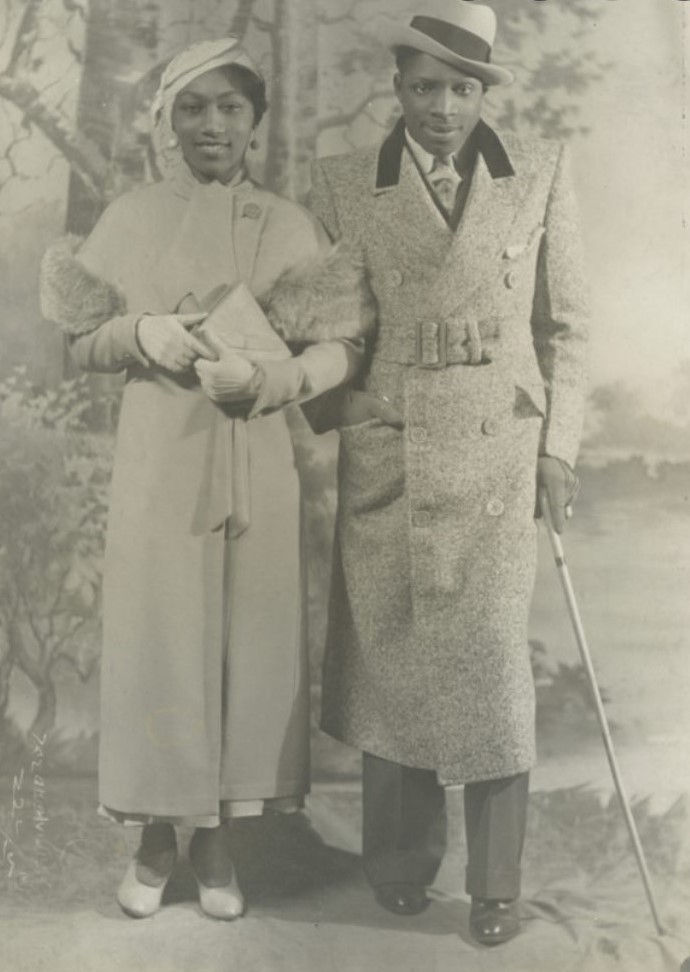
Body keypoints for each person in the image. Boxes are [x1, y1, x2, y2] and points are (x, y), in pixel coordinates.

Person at [40, 37, 373, 921]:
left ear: (256, 122)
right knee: (160, 642)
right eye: (194, 108)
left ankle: (221, 839)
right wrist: (138, 333)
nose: (213, 124)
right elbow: (77, 341)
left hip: (255, 460)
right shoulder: (131, 216)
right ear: (167, 122)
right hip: (159, 460)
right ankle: (154, 841)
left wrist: (280, 380)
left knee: (246, 647)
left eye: (231, 108)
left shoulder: (288, 223)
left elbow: (343, 340)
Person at [307, 1, 589, 946]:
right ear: (397, 87)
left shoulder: (539, 174)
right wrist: (340, 405)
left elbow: (568, 330)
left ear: (483, 93)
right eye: (422, 87)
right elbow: (336, 328)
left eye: (459, 88)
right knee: (396, 662)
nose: (439, 107)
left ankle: (499, 886)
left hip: (500, 464)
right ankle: (397, 867)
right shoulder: (347, 183)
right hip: (393, 453)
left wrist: (560, 449)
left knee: (491, 676)